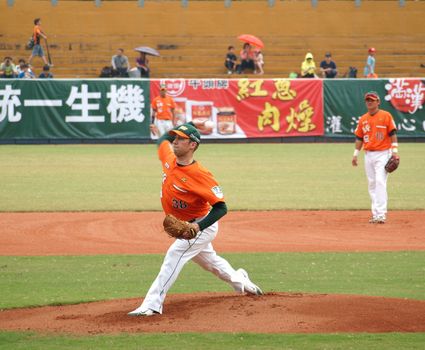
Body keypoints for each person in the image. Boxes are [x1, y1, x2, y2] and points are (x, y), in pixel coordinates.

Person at [128, 123, 263, 317]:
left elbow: (221, 207)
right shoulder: (169, 158)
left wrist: (197, 227)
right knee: (211, 263)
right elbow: (162, 141)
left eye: (181, 139)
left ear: (192, 145)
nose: (175, 141)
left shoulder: (200, 175)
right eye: (175, 137)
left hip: (200, 226)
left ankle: (152, 304)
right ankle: (241, 280)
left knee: (174, 256)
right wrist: (178, 127)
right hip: (185, 226)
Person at [352, 91, 399, 224]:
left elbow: (393, 134)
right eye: (367, 100)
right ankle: (375, 213)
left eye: (372, 100)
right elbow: (359, 137)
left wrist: (395, 152)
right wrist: (355, 154)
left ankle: (381, 214)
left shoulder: (386, 116)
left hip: (383, 153)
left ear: (378, 102)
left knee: (380, 181)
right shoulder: (363, 119)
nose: (369, 102)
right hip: (368, 154)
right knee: (372, 184)